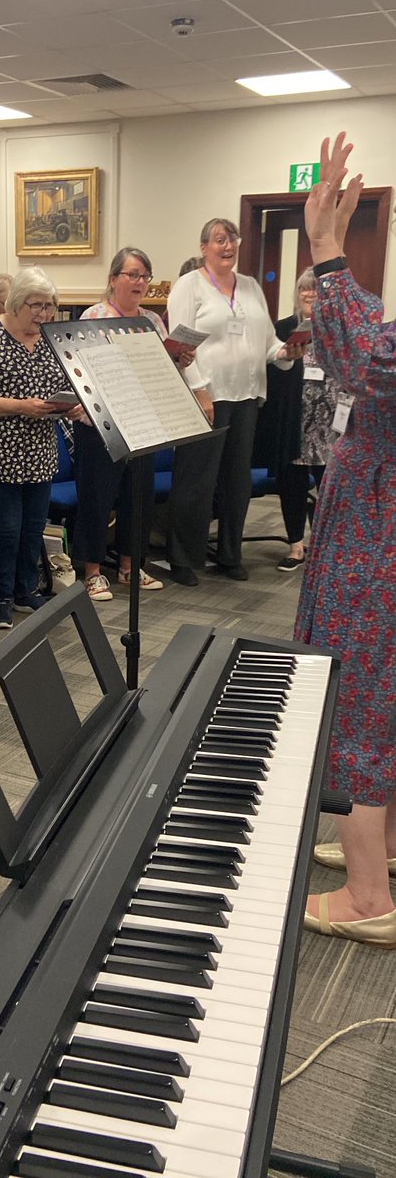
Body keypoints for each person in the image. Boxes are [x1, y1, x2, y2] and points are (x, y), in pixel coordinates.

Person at [295, 132, 395, 948]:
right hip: (374, 518)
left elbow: (368, 361)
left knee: (362, 693)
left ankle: (368, 896)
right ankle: (382, 850)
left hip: (380, 538)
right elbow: (361, 350)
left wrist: (327, 250)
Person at [165, 218, 299, 587]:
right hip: (206, 396)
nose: (228, 246)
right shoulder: (189, 286)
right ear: (204, 247)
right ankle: (182, 558)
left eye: (232, 239)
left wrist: (286, 352)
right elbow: (180, 345)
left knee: (237, 482)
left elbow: (268, 341)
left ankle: (229, 554)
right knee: (196, 481)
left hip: (246, 395)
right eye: (220, 240)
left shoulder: (251, 287)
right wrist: (200, 390)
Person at [0, 267, 79, 629]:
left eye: (50, 306)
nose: (45, 314)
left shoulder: (50, 339)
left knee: (33, 526)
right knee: (7, 528)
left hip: (39, 450)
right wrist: (21, 406)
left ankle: (26, 590)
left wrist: (72, 405)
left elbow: (66, 385)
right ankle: (2, 598)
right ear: (15, 303)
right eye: (37, 305)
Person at [74, 247, 194, 601]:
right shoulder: (93, 316)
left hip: (142, 421)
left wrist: (179, 359)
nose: (140, 282)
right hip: (100, 423)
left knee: (137, 496)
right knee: (97, 497)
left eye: (145, 276)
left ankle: (131, 566)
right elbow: (80, 369)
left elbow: (159, 370)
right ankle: (93, 572)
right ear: (113, 279)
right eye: (133, 274)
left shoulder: (152, 321)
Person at [256, 268, 343, 571]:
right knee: (291, 484)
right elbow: (272, 372)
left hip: (330, 424)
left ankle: (325, 546)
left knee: (330, 488)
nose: (309, 294)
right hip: (294, 420)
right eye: (304, 288)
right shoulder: (283, 328)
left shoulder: (337, 330)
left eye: (316, 289)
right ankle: (296, 546)